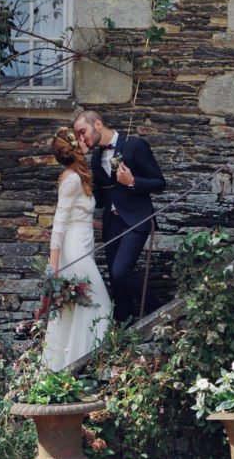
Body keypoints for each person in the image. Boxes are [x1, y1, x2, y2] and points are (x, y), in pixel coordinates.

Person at [73, 109, 166, 323]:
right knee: (116, 282)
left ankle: (160, 311)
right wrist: (77, 194)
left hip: (137, 220)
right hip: (112, 223)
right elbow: (101, 195)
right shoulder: (96, 157)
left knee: (120, 272)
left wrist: (133, 181)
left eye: (83, 132)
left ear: (97, 124)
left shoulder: (135, 145)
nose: (82, 138)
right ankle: (123, 327)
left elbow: (160, 183)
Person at [42, 127, 112, 372]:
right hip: (73, 251)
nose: (85, 140)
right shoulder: (71, 179)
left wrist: (109, 224)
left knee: (78, 310)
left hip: (83, 244)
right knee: (100, 304)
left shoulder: (79, 175)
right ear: (73, 148)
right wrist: (54, 265)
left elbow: (79, 216)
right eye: (80, 139)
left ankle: (68, 367)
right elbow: (59, 223)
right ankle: (92, 363)